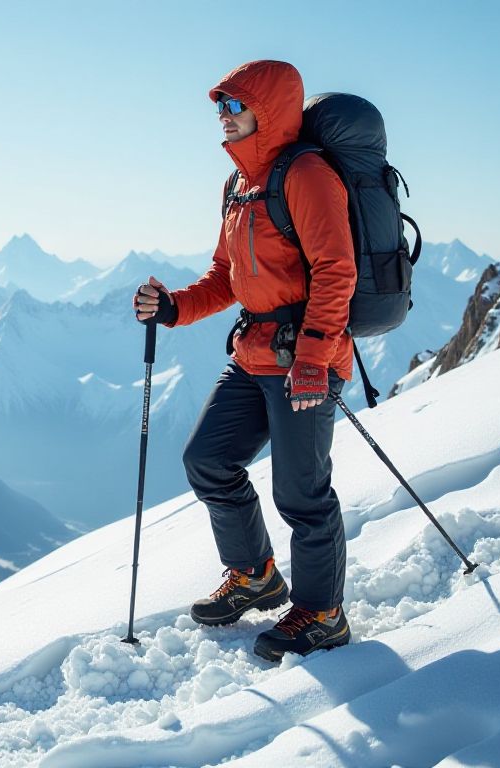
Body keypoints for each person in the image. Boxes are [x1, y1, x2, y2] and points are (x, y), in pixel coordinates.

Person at [132, 59, 356, 661]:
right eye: (221, 109)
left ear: (269, 111)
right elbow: (227, 276)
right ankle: (256, 576)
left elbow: (338, 271)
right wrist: (174, 307)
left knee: (301, 494)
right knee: (208, 460)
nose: (224, 119)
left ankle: (322, 613)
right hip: (255, 353)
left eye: (236, 107)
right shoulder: (238, 186)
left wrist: (312, 356)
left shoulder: (306, 176)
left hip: (307, 358)